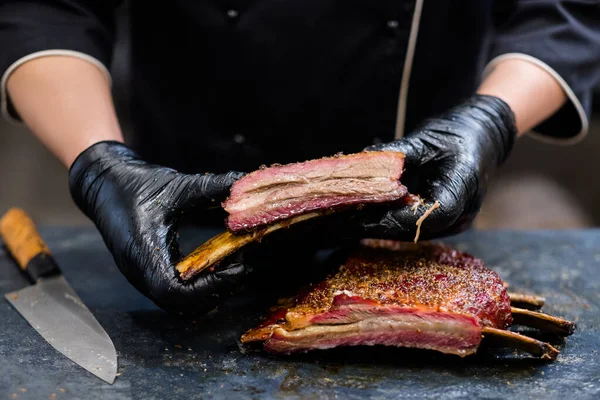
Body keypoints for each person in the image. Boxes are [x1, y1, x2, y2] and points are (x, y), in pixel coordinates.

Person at [1, 1, 598, 314]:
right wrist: (100, 163)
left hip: (415, 217)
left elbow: (564, 12)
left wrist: (491, 117)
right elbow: (48, 7)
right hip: (178, 212)